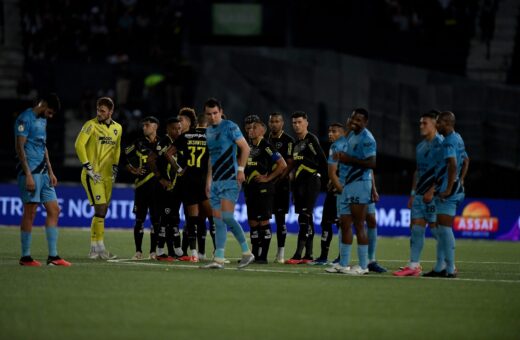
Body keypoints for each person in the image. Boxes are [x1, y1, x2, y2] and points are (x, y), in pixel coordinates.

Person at [15, 93, 71, 266]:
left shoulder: (43, 120)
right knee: (30, 212)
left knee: (54, 210)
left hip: (44, 173)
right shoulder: (25, 119)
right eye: (50, 112)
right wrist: (29, 175)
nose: (51, 116)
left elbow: (43, 146)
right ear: (43, 104)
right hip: (30, 172)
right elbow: (20, 148)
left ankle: (53, 257)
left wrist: (51, 171)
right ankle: (25, 257)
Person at [201, 97, 255, 269]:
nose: (213, 117)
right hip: (216, 182)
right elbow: (212, 157)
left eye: (215, 113)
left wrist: (241, 170)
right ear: (205, 115)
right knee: (217, 221)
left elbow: (245, 148)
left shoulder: (230, 126)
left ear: (221, 112)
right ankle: (218, 258)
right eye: (209, 114)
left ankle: (247, 253)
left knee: (227, 217)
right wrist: (209, 180)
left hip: (230, 179)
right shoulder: (208, 131)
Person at [393, 110, 443, 276]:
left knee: (437, 230)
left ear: (435, 123)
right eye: (420, 123)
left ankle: (447, 264)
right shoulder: (421, 146)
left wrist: (433, 190)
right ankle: (414, 265)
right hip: (420, 195)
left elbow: (447, 170)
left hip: (434, 196)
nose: (421, 126)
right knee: (416, 229)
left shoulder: (442, 144)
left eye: (425, 123)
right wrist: (413, 193)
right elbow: (417, 171)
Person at [326, 108, 376, 275]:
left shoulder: (368, 139)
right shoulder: (352, 135)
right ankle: (344, 263)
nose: (355, 121)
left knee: (359, 225)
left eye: (359, 120)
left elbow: (371, 163)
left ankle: (363, 266)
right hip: (347, 185)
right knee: (344, 224)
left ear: (365, 122)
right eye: (353, 118)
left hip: (360, 184)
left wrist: (349, 160)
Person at [75, 96, 122, 260]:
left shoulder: (118, 128)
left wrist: (115, 167)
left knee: (103, 211)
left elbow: (117, 149)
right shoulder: (90, 125)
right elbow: (79, 145)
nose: (99, 113)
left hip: (108, 176)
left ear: (110, 111)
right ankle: (97, 248)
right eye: (98, 110)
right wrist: (87, 166)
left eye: (102, 111)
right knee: (100, 208)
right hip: (92, 175)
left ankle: (97, 248)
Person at [423, 111, 469, 278]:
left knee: (444, 229)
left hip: (449, 191)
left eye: (439, 123)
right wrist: (461, 180)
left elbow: (453, 164)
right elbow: (466, 161)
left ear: (447, 123)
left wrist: (450, 187)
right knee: (442, 229)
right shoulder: (458, 138)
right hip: (453, 188)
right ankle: (440, 267)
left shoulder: (449, 141)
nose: (437, 125)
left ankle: (449, 270)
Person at [286, 111, 328, 264]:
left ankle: (298, 255)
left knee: (304, 217)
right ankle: (308, 255)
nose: (296, 125)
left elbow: (322, 160)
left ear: (306, 123)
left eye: (299, 122)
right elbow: (295, 167)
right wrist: (293, 188)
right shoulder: (296, 144)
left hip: (311, 181)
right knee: (305, 218)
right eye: (294, 123)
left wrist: (325, 180)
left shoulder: (311, 140)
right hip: (299, 185)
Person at [244, 118, 287, 264]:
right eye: (249, 128)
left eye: (254, 128)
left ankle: (263, 256)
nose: (251, 130)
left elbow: (282, 164)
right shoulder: (249, 146)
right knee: (252, 223)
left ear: (263, 130)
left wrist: (268, 178)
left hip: (263, 189)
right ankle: (254, 255)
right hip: (250, 189)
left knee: (263, 222)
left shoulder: (267, 146)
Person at [175, 107, 211, 262]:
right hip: (203, 182)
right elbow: (212, 161)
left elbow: (168, 153)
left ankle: (194, 253)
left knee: (192, 220)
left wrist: (179, 169)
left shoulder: (185, 136)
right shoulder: (211, 136)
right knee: (213, 218)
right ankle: (217, 253)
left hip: (188, 180)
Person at [124, 116, 161, 260]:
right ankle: (138, 251)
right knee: (139, 219)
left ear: (155, 126)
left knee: (156, 220)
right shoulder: (138, 143)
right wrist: (133, 170)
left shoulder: (162, 143)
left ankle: (153, 252)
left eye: (147, 125)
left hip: (157, 187)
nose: (144, 127)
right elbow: (123, 156)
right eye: (143, 125)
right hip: (141, 187)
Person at [147, 117, 184, 261]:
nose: (178, 131)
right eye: (175, 128)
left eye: (179, 128)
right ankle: (160, 250)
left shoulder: (180, 142)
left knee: (174, 218)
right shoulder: (163, 142)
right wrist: (160, 178)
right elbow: (150, 160)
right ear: (168, 129)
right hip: (164, 188)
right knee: (165, 219)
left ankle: (177, 250)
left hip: (175, 187)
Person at [313, 123, 343, 265]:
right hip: (332, 191)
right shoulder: (333, 147)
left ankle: (342, 256)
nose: (330, 134)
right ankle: (323, 256)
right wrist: (332, 181)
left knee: (341, 224)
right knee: (326, 222)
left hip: (342, 192)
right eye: (329, 131)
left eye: (334, 131)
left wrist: (339, 184)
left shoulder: (346, 147)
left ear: (342, 133)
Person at [267, 112, 294, 263]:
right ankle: (260, 252)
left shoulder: (288, 141)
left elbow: (290, 163)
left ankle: (280, 253)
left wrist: (279, 179)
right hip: (267, 184)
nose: (274, 124)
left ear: (282, 123)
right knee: (263, 219)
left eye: (277, 121)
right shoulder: (265, 139)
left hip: (281, 185)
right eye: (272, 121)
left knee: (280, 219)